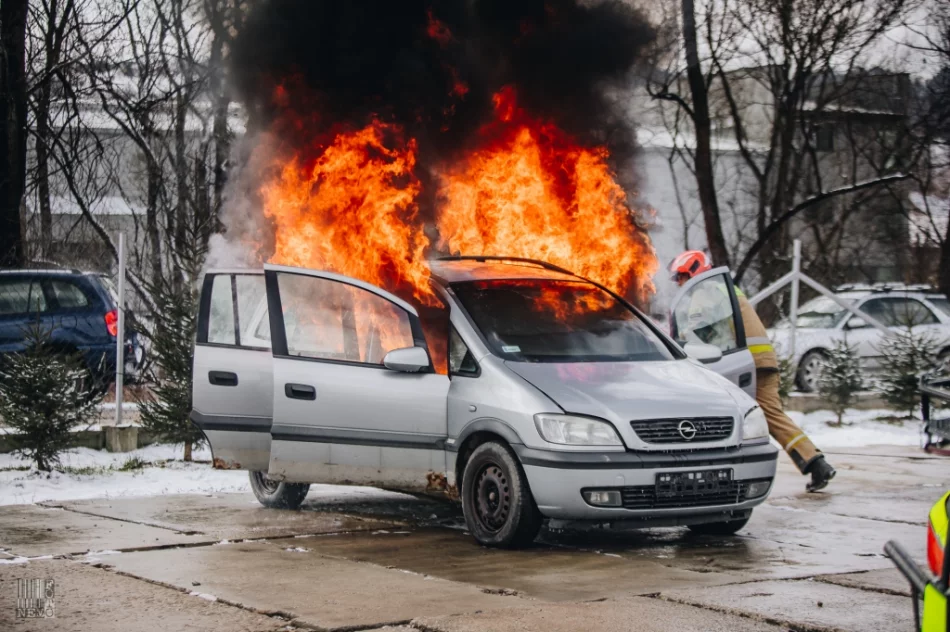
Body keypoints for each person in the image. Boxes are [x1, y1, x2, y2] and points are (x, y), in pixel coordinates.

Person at [669, 250, 836, 492]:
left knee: (724, 418)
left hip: (748, 363)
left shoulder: (705, 291)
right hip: (761, 360)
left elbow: (698, 331)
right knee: (771, 415)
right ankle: (816, 463)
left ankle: (720, 478)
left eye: (682, 277)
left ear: (693, 271)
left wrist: (676, 343)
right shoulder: (726, 289)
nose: (680, 284)